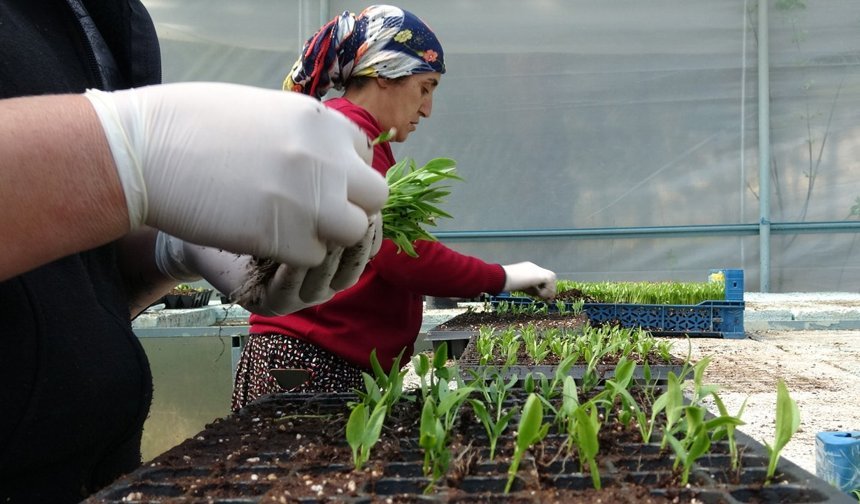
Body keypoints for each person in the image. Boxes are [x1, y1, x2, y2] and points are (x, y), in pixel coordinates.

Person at [0, 1, 388, 502]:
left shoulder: (102, 16)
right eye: (424, 88)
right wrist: (117, 153)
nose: (427, 109)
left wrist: (172, 247)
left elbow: (71, 285)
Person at [231, 5, 557, 410]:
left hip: (317, 357)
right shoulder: (344, 134)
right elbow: (402, 257)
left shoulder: (358, 136)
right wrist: (503, 276)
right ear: (385, 75)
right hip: (308, 360)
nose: (427, 109)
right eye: (425, 87)